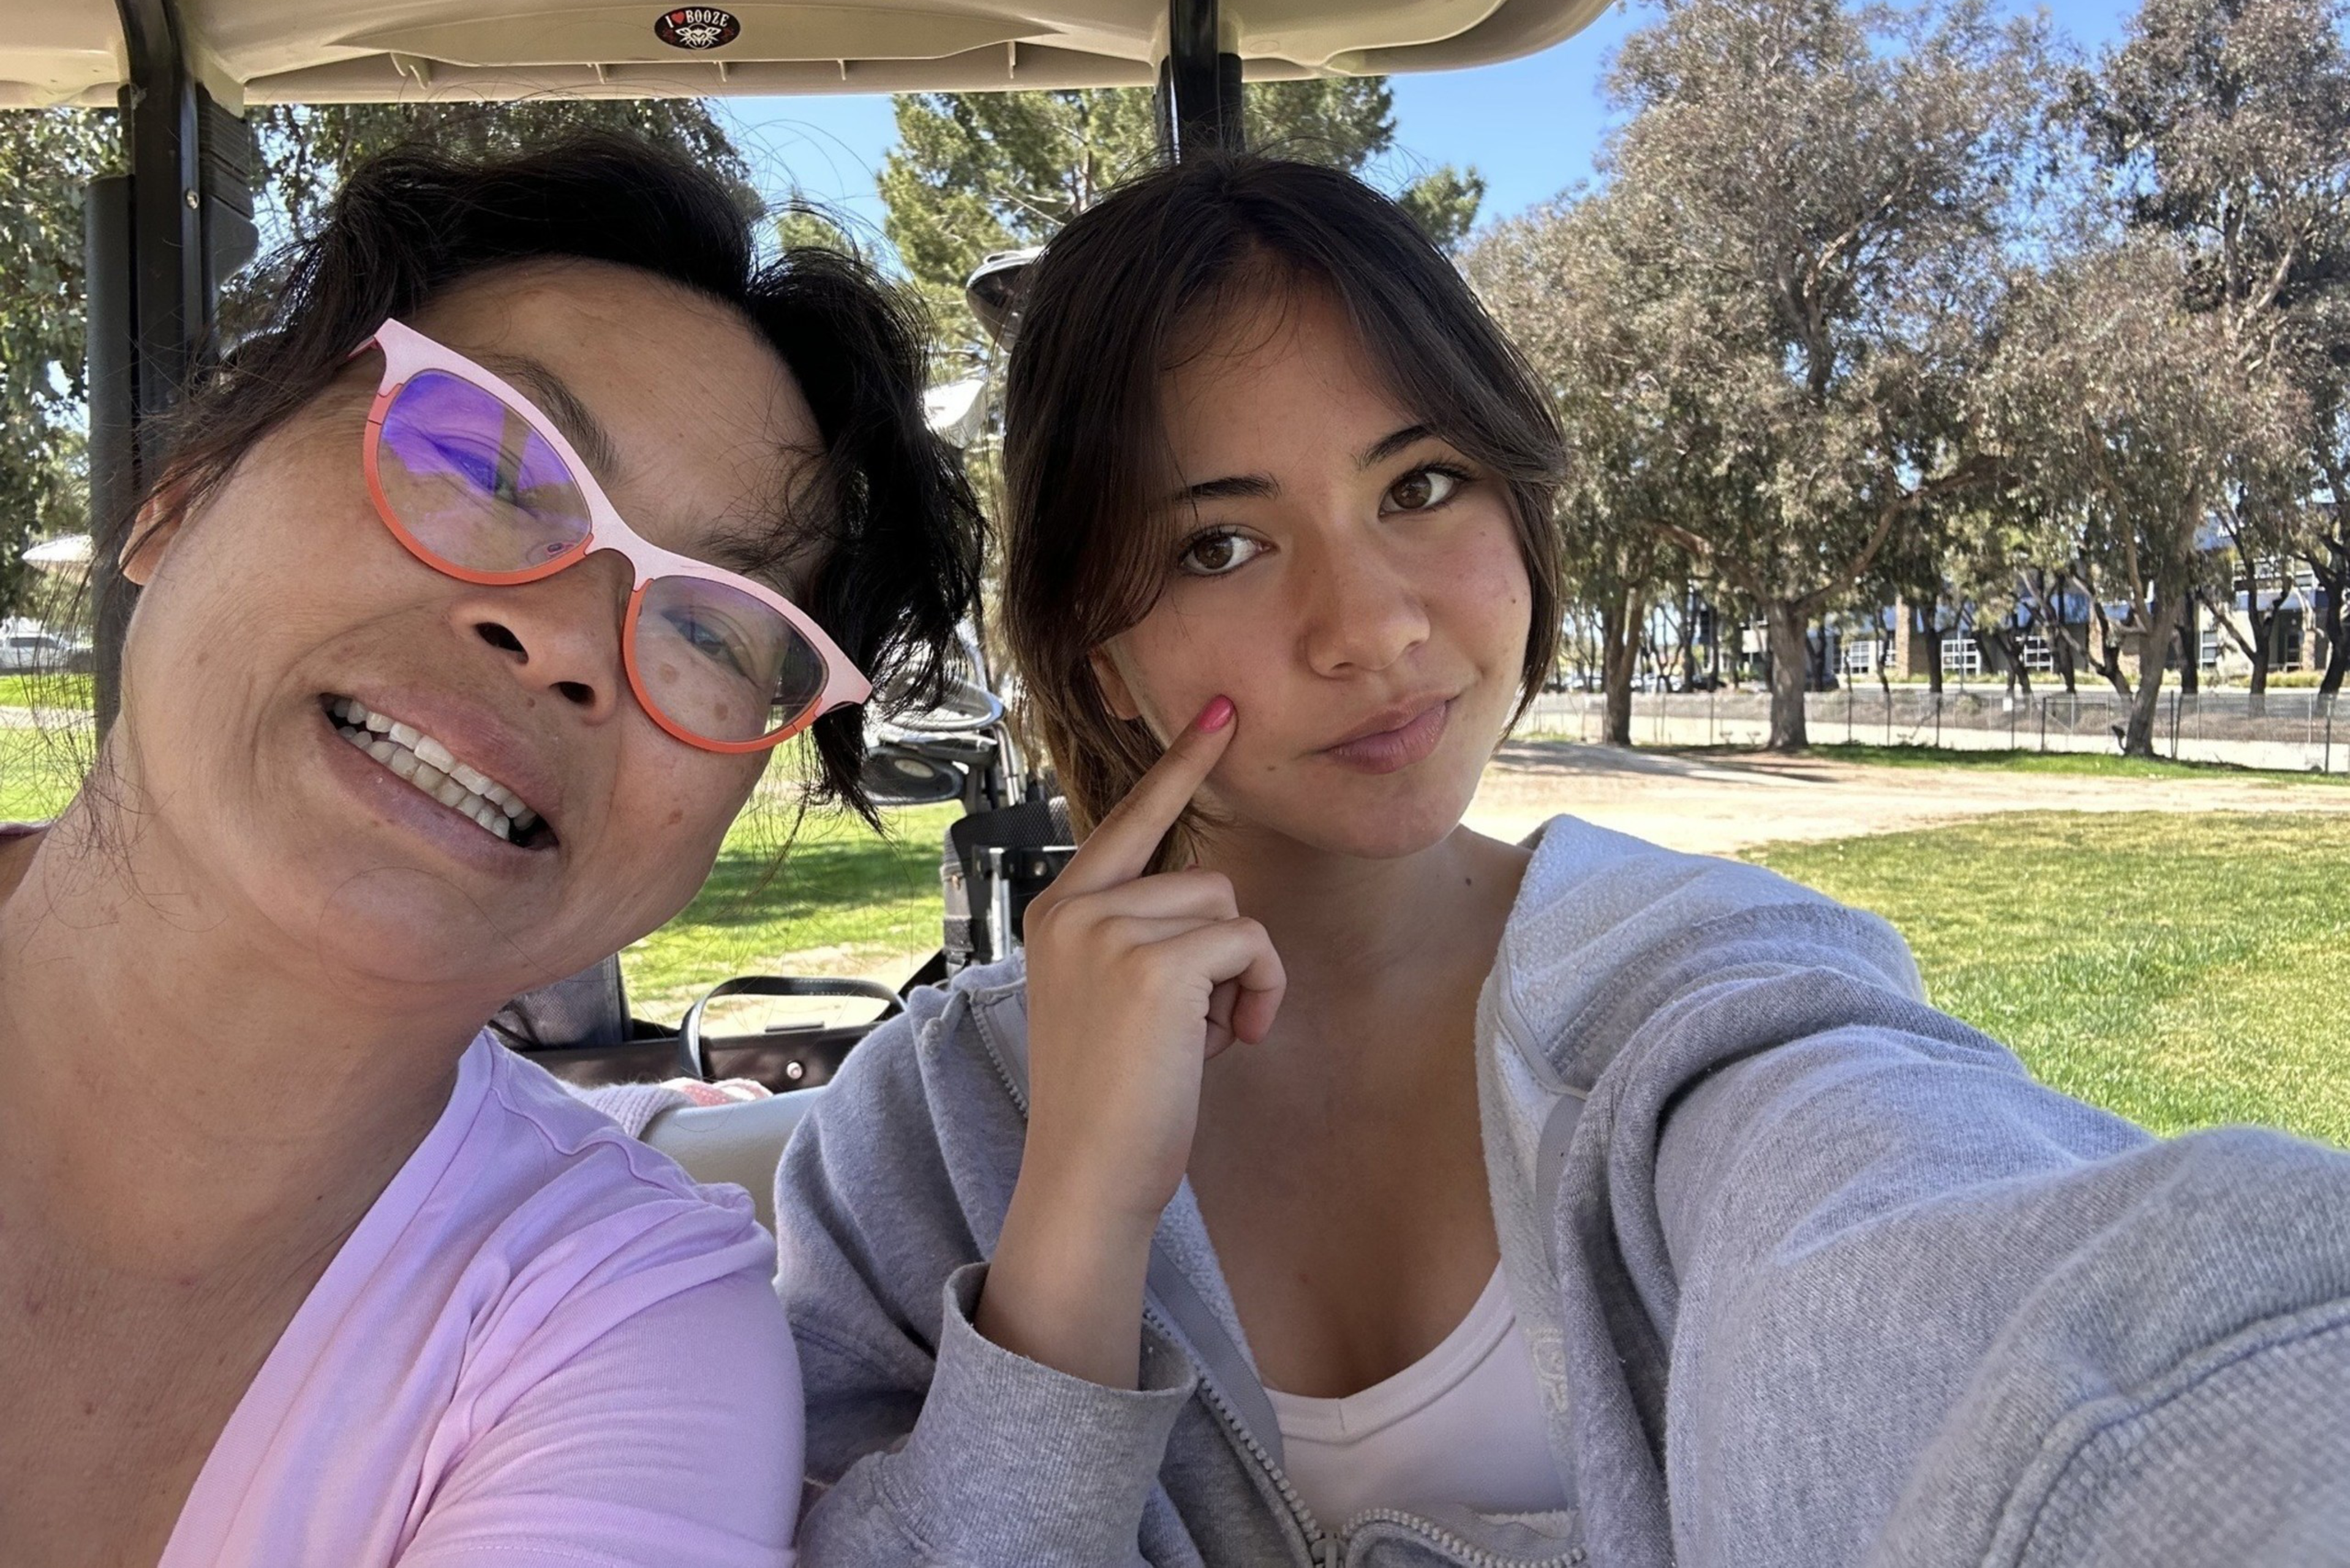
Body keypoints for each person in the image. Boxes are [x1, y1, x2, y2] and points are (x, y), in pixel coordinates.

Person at [774, 154, 2350, 1568]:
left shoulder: (1712, 1005)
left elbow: (1998, 1292)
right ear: (1095, 653)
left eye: (1419, 485)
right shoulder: (913, 1144)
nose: (1372, 625)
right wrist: (1069, 1232)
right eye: (1219, 544)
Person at [0, 134, 982, 1568]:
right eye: (478, 458)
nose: (571, 634)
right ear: (184, 486)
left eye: (718, 628)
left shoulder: (624, 1322)